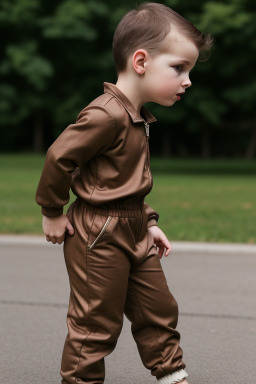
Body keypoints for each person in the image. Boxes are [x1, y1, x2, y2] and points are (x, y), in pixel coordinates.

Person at [35, 2, 213, 384]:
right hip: (98, 234)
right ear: (141, 61)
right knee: (96, 321)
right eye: (179, 68)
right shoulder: (106, 114)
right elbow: (59, 157)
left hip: (133, 228)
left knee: (158, 308)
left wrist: (147, 222)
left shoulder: (137, 116)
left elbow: (125, 181)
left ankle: (171, 374)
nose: (187, 81)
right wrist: (53, 210)